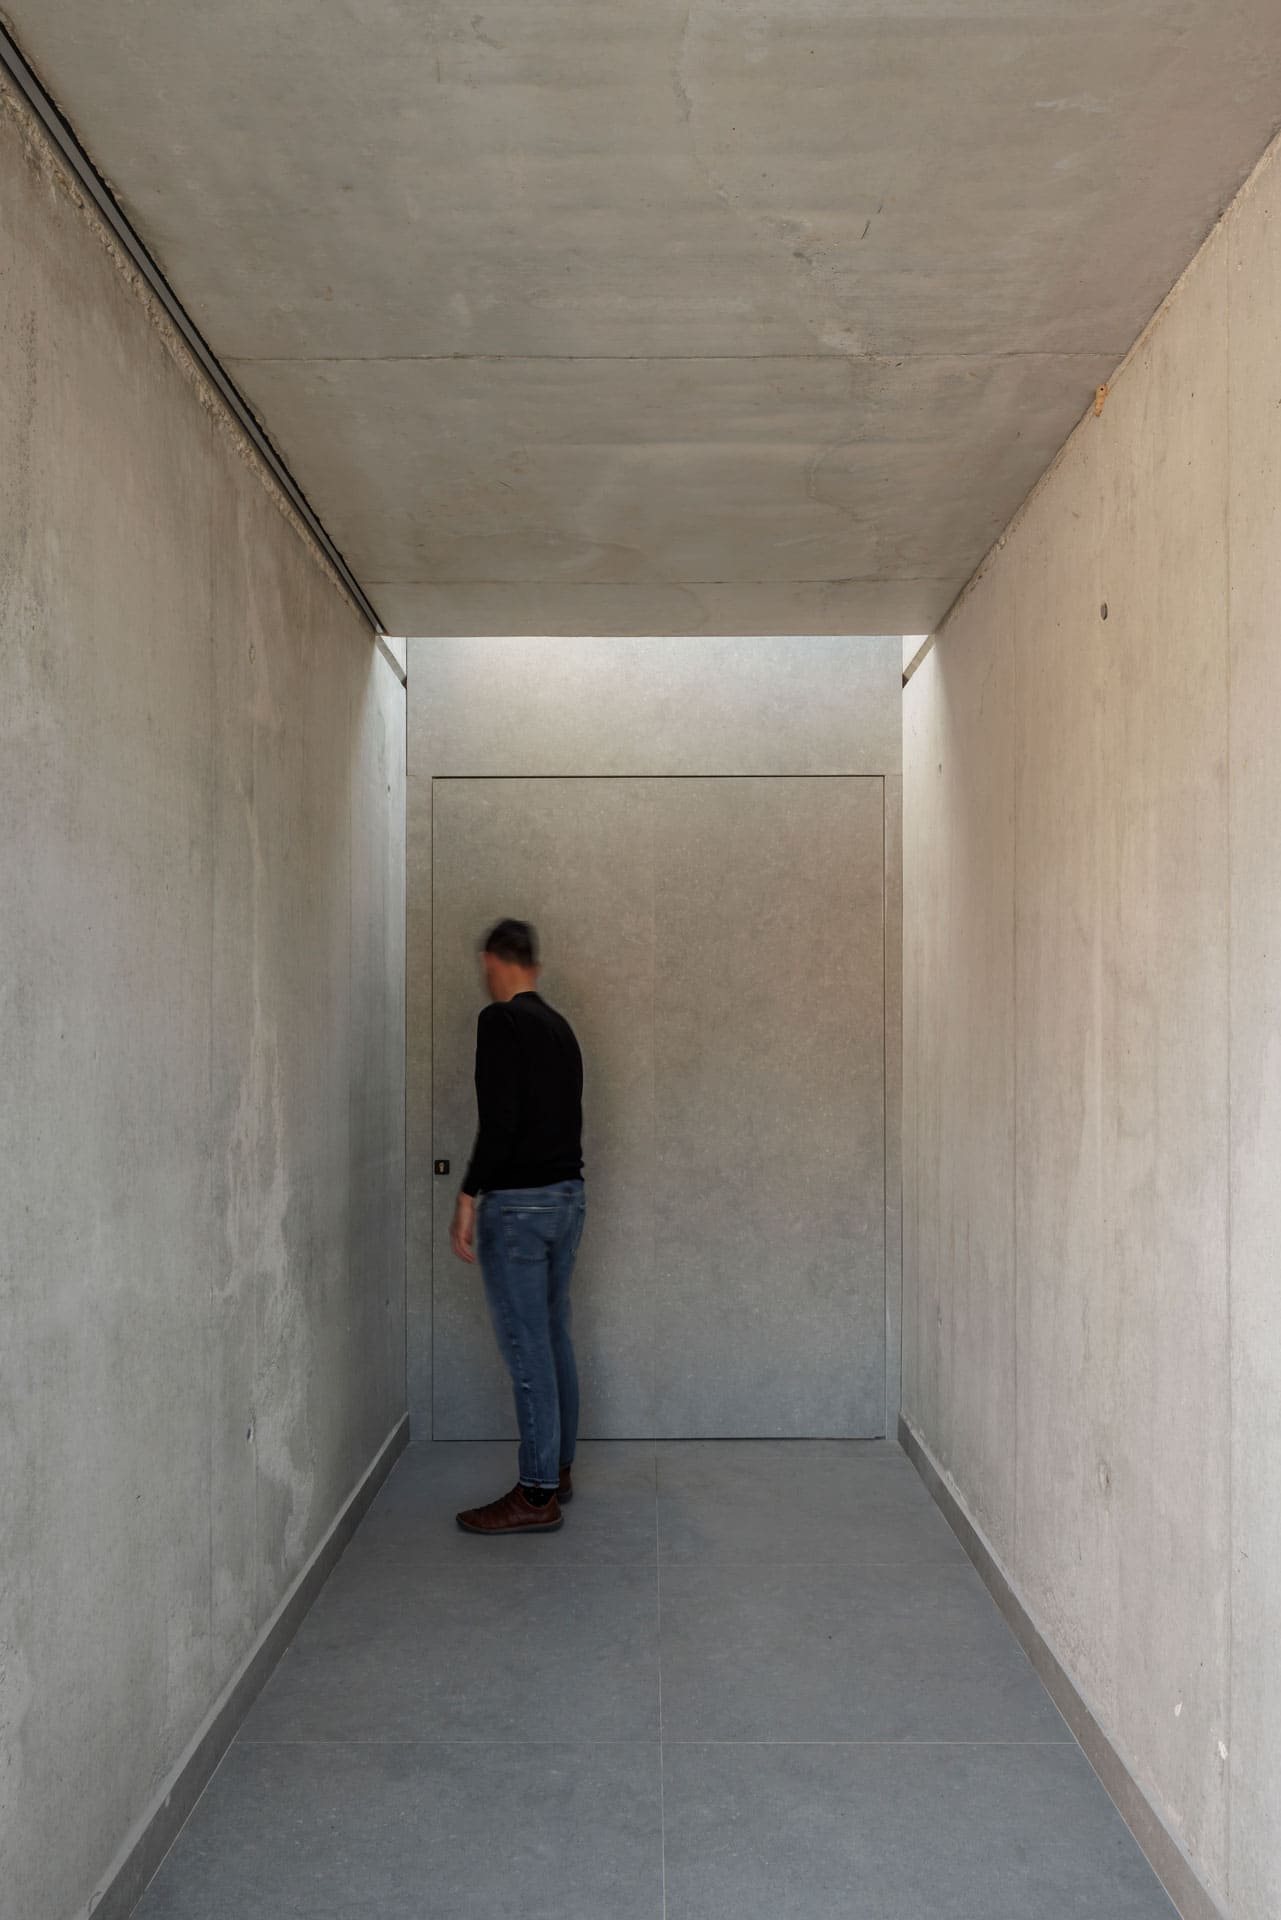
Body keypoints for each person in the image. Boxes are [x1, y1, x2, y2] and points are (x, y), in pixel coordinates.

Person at [450, 919, 586, 1535]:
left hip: (520, 1207)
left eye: (485, 968)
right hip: (567, 1199)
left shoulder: (499, 1021)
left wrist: (468, 1193)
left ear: (495, 961)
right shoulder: (561, 1028)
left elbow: (499, 1120)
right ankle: (556, 1468)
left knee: (528, 1349)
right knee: (553, 1337)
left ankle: (535, 1496)